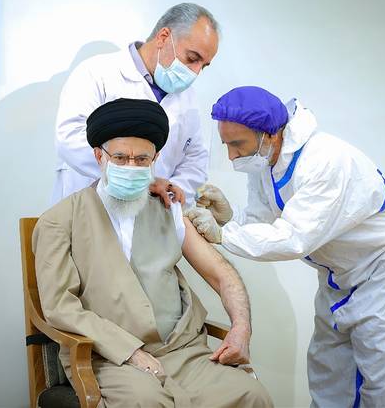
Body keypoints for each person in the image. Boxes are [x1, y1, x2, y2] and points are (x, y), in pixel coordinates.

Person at [185, 86, 385, 407]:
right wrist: (230, 218)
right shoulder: (267, 162)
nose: (231, 156)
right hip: (339, 273)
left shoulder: (325, 161)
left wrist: (223, 235)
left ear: (270, 135)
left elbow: (293, 237)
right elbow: (264, 219)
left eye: (237, 145)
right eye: (226, 145)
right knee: (329, 370)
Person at [34, 98, 273, 407]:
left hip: (182, 352)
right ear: (99, 155)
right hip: (110, 357)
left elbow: (221, 274)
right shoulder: (58, 221)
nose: (131, 167)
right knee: (147, 402)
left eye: (142, 159)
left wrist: (241, 329)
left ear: (155, 158)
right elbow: (60, 306)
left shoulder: (167, 207)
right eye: (120, 157)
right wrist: (130, 352)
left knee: (252, 395)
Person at [52, 3, 219, 208]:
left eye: (204, 65)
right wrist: (142, 182)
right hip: (91, 206)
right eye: (192, 58)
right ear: (163, 37)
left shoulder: (188, 97)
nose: (195, 72)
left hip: (155, 213)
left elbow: (195, 158)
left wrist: (170, 190)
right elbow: (70, 138)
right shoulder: (96, 73)